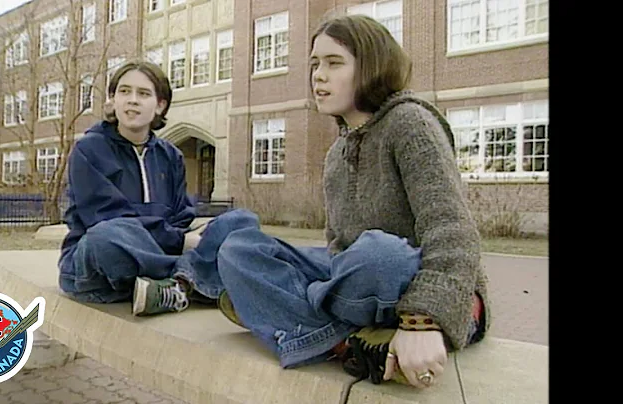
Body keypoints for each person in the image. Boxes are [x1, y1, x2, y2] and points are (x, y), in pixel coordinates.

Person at [213, 14, 490, 389]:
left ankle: (289, 316)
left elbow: (452, 230)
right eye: (314, 64)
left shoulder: (411, 123)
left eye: (333, 63)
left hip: (412, 283)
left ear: (370, 67)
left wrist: (423, 321)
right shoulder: (336, 154)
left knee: (379, 255)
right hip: (360, 286)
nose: (318, 76)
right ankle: (347, 338)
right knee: (238, 250)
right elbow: (337, 250)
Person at [57, 60, 257, 316]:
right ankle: (191, 278)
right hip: (100, 269)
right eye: (124, 92)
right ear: (112, 100)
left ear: (160, 105)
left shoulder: (170, 156)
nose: (132, 100)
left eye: (143, 93)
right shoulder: (89, 150)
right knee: (106, 236)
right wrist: (180, 241)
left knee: (241, 221)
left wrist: (185, 236)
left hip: (158, 251)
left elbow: (181, 218)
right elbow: (105, 216)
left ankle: (173, 287)